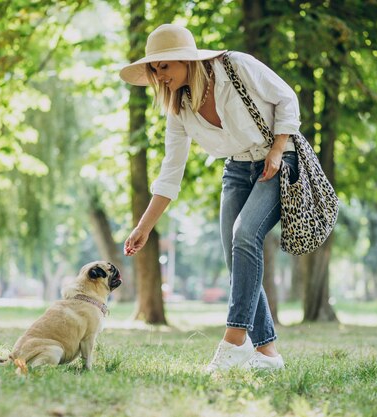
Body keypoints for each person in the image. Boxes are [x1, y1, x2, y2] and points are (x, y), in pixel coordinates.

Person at [120, 24, 300, 372]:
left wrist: (278, 149)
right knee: (236, 258)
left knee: (245, 234)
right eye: (154, 69)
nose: (160, 75)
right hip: (237, 169)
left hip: (279, 159)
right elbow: (170, 172)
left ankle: (233, 342)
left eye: (165, 66)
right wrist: (144, 227)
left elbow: (286, 97)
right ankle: (268, 354)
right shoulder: (180, 108)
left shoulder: (235, 67)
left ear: (186, 61)